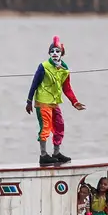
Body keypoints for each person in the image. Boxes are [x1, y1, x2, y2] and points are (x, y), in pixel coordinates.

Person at [25, 36, 86, 166]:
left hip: (54, 102)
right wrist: (29, 101)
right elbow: (34, 83)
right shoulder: (44, 66)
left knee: (59, 125)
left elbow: (67, 87)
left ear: (61, 54)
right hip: (42, 101)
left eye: (57, 51)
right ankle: (43, 155)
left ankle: (56, 153)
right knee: (45, 127)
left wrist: (74, 102)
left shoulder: (64, 69)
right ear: (49, 53)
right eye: (52, 51)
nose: (54, 53)